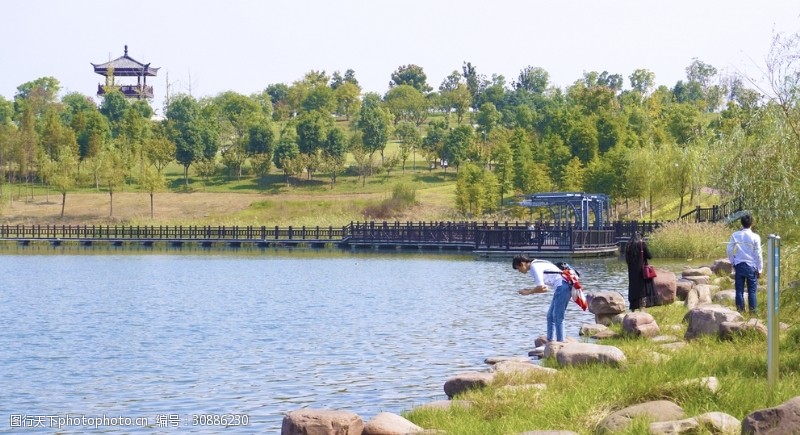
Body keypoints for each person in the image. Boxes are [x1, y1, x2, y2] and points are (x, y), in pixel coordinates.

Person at [512, 255, 572, 343]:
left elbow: (541, 287)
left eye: (518, 269)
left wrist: (528, 292)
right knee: (550, 317)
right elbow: (545, 288)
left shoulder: (534, 267)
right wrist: (530, 290)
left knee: (557, 317)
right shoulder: (537, 262)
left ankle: (560, 343)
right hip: (562, 286)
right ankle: (550, 342)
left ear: (522, 264)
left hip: (563, 286)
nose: (519, 271)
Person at [726, 215, 763, 313]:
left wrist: (733, 261)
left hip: (739, 265)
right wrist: (760, 268)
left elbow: (729, 249)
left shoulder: (735, 235)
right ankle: (753, 313)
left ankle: (740, 312)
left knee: (739, 290)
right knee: (752, 291)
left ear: (741, 223)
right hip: (751, 266)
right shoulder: (756, 237)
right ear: (752, 223)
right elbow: (758, 254)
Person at [624, 232, 656, 311]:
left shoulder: (628, 246)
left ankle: (633, 309)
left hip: (632, 272)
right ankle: (642, 308)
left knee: (633, 288)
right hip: (641, 272)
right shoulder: (642, 244)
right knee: (642, 289)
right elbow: (650, 256)